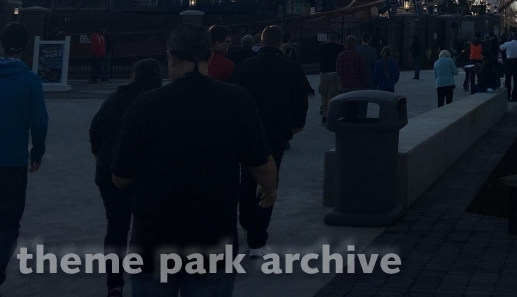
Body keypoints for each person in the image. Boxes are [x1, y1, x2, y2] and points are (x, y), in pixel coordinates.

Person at [112, 25, 276, 296]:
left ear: (171, 57)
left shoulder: (144, 104)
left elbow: (120, 177)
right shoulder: (236, 100)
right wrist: (269, 190)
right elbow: (262, 165)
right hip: (213, 239)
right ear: (210, 57)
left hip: (154, 240)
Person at [0, 23, 48, 297]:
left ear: (0, 43)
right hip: (13, 163)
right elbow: (39, 122)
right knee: (9, 225)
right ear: (25, 47)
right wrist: (37, 152)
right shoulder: (30, 81)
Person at [229, 25, 310, 257]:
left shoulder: (244, 66)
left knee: (247, 176)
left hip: (247, 129)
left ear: (262, 41)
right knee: (270, 179)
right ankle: (257, 235)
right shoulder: (290, 67)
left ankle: (246, 219)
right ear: (280, 42)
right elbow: (301, 97)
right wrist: (298, 122)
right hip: (277, 129)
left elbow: (233, 95)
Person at [89, 59, 162, 297]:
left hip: (111, 171)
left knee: (116, 227)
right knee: (148, 226)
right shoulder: (157, 102)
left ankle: (114, 283)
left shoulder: (114, 99)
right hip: (147, 175)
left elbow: (95, 130)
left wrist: (100, 157)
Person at [317, 31, 345, 123]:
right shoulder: (340, 48)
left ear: (328, 38)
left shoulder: (322, 47)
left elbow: (317, 57)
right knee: (332, 95)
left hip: (324, 73)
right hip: (335, 73)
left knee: (324, 95)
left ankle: (324, 115)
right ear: (337, 39)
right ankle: (330, 115)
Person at [499, 35, 517, 102]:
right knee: (516, 81)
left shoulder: (508, 44)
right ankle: (514, 97)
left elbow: (501, 48)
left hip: (509, 62)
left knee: (508, 80)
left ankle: (507, 96)